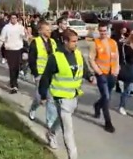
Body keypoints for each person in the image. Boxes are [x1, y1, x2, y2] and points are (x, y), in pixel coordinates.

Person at [38, 29, 95, 158]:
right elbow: (46, 78)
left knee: (62, 120)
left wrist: (90, 77)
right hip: (60, 98)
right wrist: (42, 95)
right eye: (73, 41)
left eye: (77, 41)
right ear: (65, 41)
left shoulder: (78, 55)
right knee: (68, 130)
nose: (76, 44)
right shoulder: (55, 57)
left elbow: (84, 69)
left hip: (73, 96)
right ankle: (73, 156)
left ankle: (51, 133)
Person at [88, 21, 119, 133]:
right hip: (101, 74)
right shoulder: (95, 43)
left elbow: (117, 57)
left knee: (107, 97)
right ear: (98, 31)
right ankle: (108, 123)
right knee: (105, 97)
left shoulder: (113, 43)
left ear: (108, 31)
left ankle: (97, 105)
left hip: (112, 74)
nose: (103, 33)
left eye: (105, 31)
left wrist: (117, 69)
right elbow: (91, 59)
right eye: (101, 31)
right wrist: (98, 71)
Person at [28, 21, 57, 127]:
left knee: (51, 98)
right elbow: (32, 59)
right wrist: (35, 73)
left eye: (50, 29)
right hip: (40, 74)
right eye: (47, 29)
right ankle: (33, 108)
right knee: (39, 97)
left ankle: (50, 122)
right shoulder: (35, 42)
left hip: (51, 74)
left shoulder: (53, 42)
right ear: (40, 31)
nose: (49, 31)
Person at [0, 13, 26, 94]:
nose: (14, 19)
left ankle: (14, 80)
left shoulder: (20, 27)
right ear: (10, 19)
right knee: (12, 67)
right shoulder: (6, 28)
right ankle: (14, 85)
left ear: (17, 18)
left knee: (17, 68)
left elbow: (25, 37)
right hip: (9, 50)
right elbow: (2, 39)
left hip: (18, 49)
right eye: (12, 18)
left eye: (15, 18)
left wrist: (26, 33)